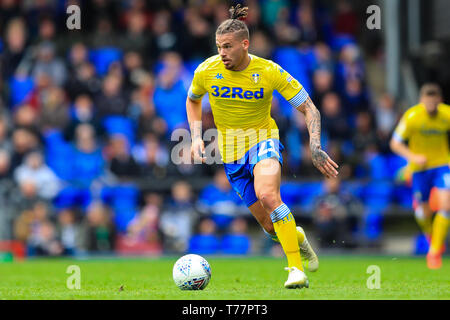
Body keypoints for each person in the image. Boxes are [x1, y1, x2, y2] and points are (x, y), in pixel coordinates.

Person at [186, 4, 338, 289]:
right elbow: (193, 100)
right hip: (230, 154)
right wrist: (195, 137)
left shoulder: (268, 71)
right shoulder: (207, 70)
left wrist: (315, 145)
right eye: (219, 46)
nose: (222, 53)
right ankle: (298, 238)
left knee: (268, 194)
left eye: (228, 47)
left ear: (245, 44)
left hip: (262, 140)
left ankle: (295, 270)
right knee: (269, 226)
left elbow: (309, 108)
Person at [390, 83, 450, 269]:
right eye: (427, 102)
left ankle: (433, 252)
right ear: (422, 101)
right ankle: (433, 237)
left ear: (439, 102)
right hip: (419, 169)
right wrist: (413, 156)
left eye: (434, 103)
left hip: (441, 165)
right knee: (423, 212)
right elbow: (395, 143)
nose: (431, 106)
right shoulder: (412, 116)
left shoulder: (446, 114)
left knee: (446, 204)